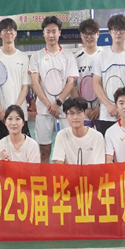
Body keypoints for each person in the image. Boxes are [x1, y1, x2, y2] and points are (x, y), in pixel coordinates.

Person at [29, 16, 78, 163]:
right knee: (44, 151)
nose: (51, 35)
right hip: (44, 111)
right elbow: (35, 83)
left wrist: (58, 103)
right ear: (43, 33)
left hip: (65, 111)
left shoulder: (68, 56)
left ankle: (66, 177)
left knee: (68, 151)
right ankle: (45, 177)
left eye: (54, 31)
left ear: (59, 33)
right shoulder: (36, 57)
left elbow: (71, 82)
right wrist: (49, 105)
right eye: (48, 31)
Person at [92, 14, 125, 136]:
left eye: (121, 29)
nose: (118, 33)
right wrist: (108, 106)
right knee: (107, 148)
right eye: (115, 29)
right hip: (107, 115)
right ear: (110, 32)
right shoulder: (101, 56)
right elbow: (96, 84)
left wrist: (124, 107)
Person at [0, 18, 31, 143]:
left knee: (20, 149)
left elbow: (25, 87)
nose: (8, 32)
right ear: (0, 34)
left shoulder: (23, 57)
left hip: (20, 115)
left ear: (16, 33)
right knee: (1, 150)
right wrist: (0, 112)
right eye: (5, 30)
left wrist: (15, 111)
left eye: (11, 30)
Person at [52, 97, 106, 165]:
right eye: (71, 113)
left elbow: (99, 165)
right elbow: (58, 163)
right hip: (68, 172)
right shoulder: (61, 135)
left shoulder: (97, 137)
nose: (75, 117)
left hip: (91, 172)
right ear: (66, 116)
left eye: (79, 113)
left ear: (84, 114)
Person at [71, 18, 102, 128]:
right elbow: (72, 86)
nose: (89, 37)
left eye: (92, 33)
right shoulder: (75, 59)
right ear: (81, 35)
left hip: (103, 112)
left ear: (98, 34)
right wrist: (84, 107)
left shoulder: (105, 55)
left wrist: (101, 106)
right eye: (85, 34)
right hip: (83, 113)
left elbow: (109, 84)